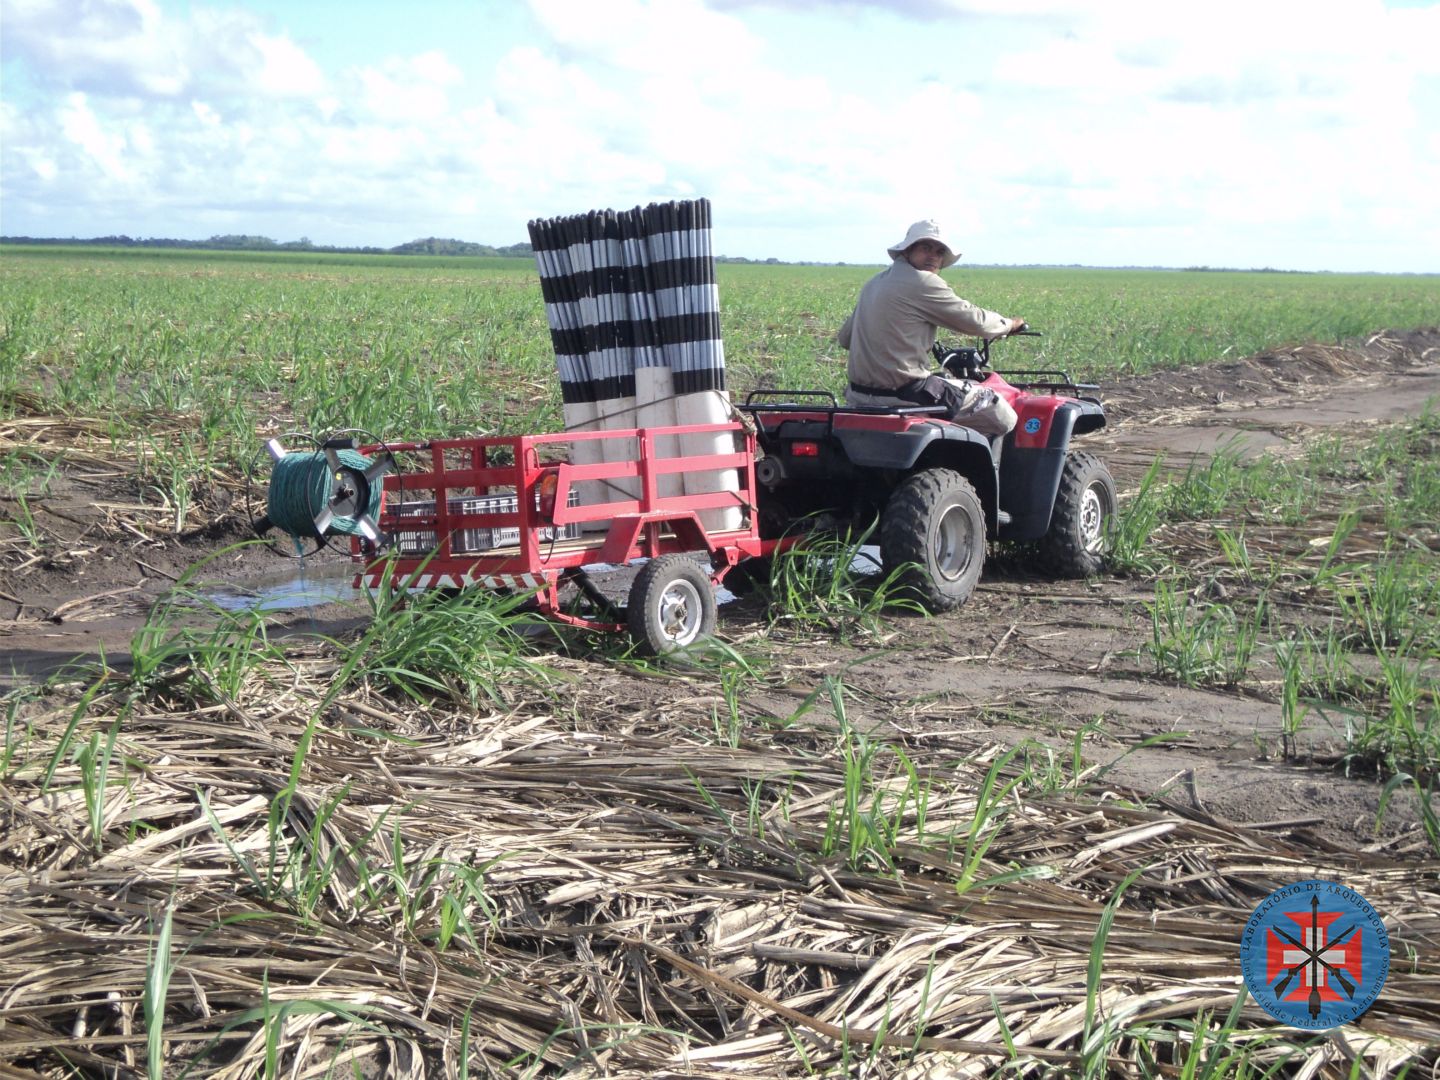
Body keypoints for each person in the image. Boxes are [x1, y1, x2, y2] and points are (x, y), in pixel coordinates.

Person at [838, 219, 1023, 437]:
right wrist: (1009, 325)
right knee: (1001, 414)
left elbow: (845, 338)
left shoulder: (873, 284)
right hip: (905, 394)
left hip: (859, 395)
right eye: (925, 247)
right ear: (907, 250)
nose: (933, 256)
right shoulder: (923, 281)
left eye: (939, 251)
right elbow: (975, 320)